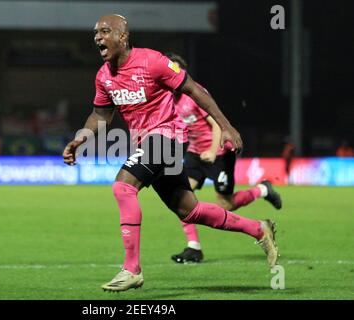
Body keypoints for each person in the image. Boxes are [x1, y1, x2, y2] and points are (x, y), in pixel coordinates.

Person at [63, 14, 279, 292]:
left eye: (105, 31)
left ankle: (132, 269)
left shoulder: (152, 61)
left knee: (123, 187)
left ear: (123, 37)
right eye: (96, 33)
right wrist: (80, 138)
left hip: (168, 135)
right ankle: (259, 229)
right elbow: (100, 115)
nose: (98, 37)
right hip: (146, 143)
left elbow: (193, 89)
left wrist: (225, 126)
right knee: (190, 210)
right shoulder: (104, 76)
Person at [164, 53, 282, 264]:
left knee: (226, 204)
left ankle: (263, 189)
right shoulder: (168, 97)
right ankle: (194, 247)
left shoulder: (194, 93)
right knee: (180, 197)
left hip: (219, 151)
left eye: (177, 71)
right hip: (195, 152)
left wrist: (211, 149)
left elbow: (217, 123)